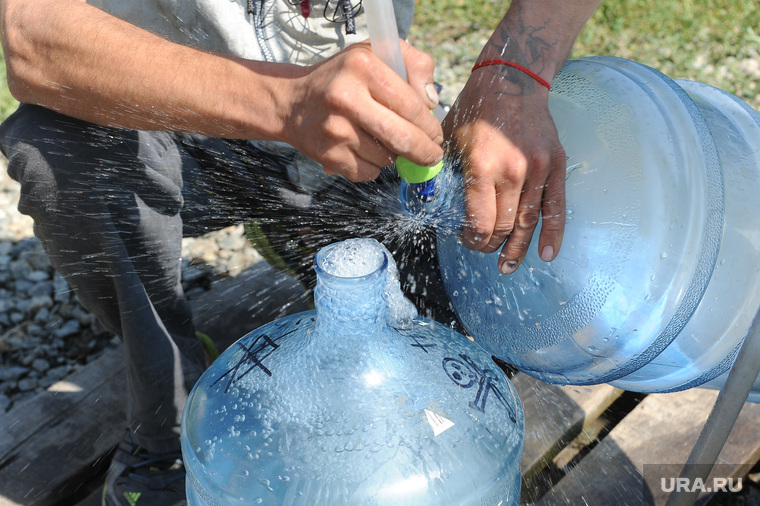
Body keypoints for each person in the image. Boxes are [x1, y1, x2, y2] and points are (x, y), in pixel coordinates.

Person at [0, 0, 600, 504]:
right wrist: (285, 105)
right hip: (163, 116)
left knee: (485, 317)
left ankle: (302, 228)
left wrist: (512, 74)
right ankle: (166, 416)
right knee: (59, 151)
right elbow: (30, 35)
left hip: (365, 131)